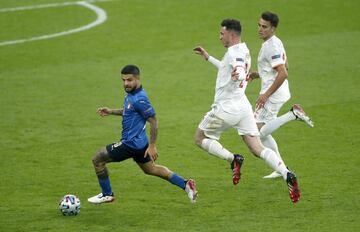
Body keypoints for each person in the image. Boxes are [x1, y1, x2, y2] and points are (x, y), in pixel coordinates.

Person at [193, 18, 300, 203]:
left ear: (231, 35)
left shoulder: (235, 53)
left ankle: (233, 159)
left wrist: (240, 74)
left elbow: (238, 69)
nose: (219, 37)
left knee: (200, 137)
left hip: (225, 109)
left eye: (222, 34)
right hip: (243, 108)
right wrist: (208, 57)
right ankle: (286, 173)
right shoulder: (243, 49)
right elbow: (228, 69)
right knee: (257, 147)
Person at [88, 65, 197, 204]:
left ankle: (107, 194)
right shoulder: (132, 96)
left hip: (130, 144)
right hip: (140, 143)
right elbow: (129, 110)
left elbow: (154, 121)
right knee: (151, 169)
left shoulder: (139, 99)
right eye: (123, 80)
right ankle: (186, 184)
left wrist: (152, 146)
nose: (126, 83)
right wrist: (111, 111)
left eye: (129, 80)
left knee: (97, 159)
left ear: (137, 78)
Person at [249, 11, 314, 179]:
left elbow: (283, 73)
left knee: (256, 133)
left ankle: (293, 114)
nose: (260, 29)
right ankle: (281, 168)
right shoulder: (275, 42)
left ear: (273, 29)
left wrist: (266, 94)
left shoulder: (271, 46)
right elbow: (284, 66)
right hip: (277, 90)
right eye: (259, 25)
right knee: (262, 132)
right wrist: (258, 74)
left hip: (273, 94)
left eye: (264, 27)